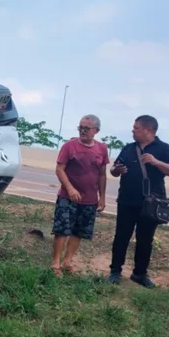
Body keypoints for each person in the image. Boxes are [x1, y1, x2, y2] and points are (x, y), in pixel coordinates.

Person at [106, 115, 169, 288]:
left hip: (151, 203)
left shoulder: (164, 148)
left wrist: (155, 162)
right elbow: (114, 169)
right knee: (121, 236)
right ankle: (115, 271)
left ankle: (139, 274)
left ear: (148, 130)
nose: (133, 130)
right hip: (126, 199)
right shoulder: (129, 148)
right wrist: (117, 170)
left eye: (136, 128)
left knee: (145, 239)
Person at [50, 114, 109, 276]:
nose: (83, 131)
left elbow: (102, 174)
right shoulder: (69, 146)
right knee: (62, 229)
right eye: (80, 128)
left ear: (96, 130)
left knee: (79, 231)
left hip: (89, 200)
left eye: (86, 128)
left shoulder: (102, 149)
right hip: (67, 197)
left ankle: (67, 261)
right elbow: (59, 169)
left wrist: (102, 197)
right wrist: (70, 189)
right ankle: (55, 263)